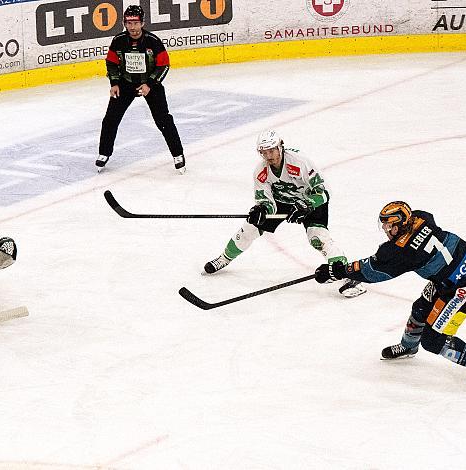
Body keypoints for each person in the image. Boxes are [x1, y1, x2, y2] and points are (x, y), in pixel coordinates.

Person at [314, 201, 466, 391]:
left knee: (433, 340)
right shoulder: (421, 218)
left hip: (464, 288)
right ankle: (409, 346)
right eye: (384, 226)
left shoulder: (401, 252)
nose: (386, 230)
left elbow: (372, 271)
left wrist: (336, 271)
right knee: (420, 309)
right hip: (455, 274)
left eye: (390, 226)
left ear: (401, 224)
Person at [203, 129, 366, 299]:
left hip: (310, 201)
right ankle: (224, 258)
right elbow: (266, 201)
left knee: (317, 238)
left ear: (281, 147)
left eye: (272, 150)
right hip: (281, 202)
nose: (269, 156)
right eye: (264, 152)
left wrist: (306, 204)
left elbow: (324, 192)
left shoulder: (300, 162)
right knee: (250, 227)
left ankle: (350, 277)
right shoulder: (261, 171)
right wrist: (262, 210)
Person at [96, 4, 185, 174]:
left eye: (136, 23)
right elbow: (111, 63)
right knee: (110, 120)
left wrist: (149, 85)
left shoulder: (153, 41)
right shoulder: (118, 41)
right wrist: (114, 83)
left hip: (150, 85)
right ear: (124, 23)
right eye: (129, 23)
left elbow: (164, 65)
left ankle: (178, 155)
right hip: (125, 84)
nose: (132, 27)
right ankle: (104, 153)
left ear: (142, 23)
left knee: (164, 121)